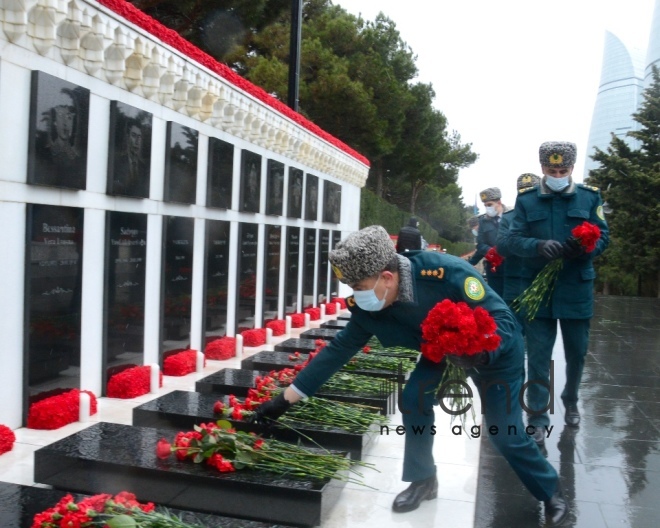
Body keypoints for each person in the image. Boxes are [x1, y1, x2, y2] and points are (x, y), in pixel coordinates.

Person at [253, 225, 568, 525]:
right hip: (441, 352)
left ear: (387, 278)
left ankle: (550, 490)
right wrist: (283, 401)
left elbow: (504, 320)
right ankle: (423, 480)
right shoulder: (369, 307)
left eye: (359, 287)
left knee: (505, 434)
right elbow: (337, 352)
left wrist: (481, 351)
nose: (356, 295)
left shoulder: (444, 274)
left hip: (495, 353)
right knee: (414, 400)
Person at [497, 142, 609, 446]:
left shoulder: (589, 197)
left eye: (563, 170)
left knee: (577, 353)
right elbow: (508, 239)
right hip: (538, 290)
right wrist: (537, 246)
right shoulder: (527, 201)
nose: (557, 175)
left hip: (575, 289)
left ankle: (570, 399)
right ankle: (537, 418)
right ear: (542, 168)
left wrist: (585, 248)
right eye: (551, 169)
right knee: (538, 356)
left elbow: (604, 236)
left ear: (572, 168)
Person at [497, 174, 541, 324]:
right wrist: (520, 240)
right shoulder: (509, 218)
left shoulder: (543, 217)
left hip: (538, 279)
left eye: (530, 190)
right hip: (514, 279)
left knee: (537, 327)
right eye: (522, 190)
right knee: (513, 325)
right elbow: (502, 247)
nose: (525, 194)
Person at [468, 187, 508, 298]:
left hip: (511, 265)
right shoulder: (483, 221)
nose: (487, 208)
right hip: (493, 268)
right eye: (485, 205)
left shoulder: (512, 216)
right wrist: (490, 251)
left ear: (499, 202)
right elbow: (480, 244)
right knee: (496, 298)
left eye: (489, 205)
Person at [112, 121, 150, 197]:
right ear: (127, 137)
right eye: (134, 136)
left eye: (139, 137)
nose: (137, 141)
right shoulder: (117, 163)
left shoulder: (144, 167)